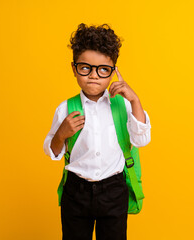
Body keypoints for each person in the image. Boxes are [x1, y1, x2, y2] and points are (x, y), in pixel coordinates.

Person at [43, 23, 151, 240]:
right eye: (85, 68)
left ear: (113, 71)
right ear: (74, 68)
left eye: (103, 70)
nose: (93, 76)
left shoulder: (123, 105)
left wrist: (135, 101)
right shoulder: (65, 108)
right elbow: (52, 152)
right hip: (76, 191)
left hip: (113, 189)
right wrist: (61, 134)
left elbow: (142, 140)